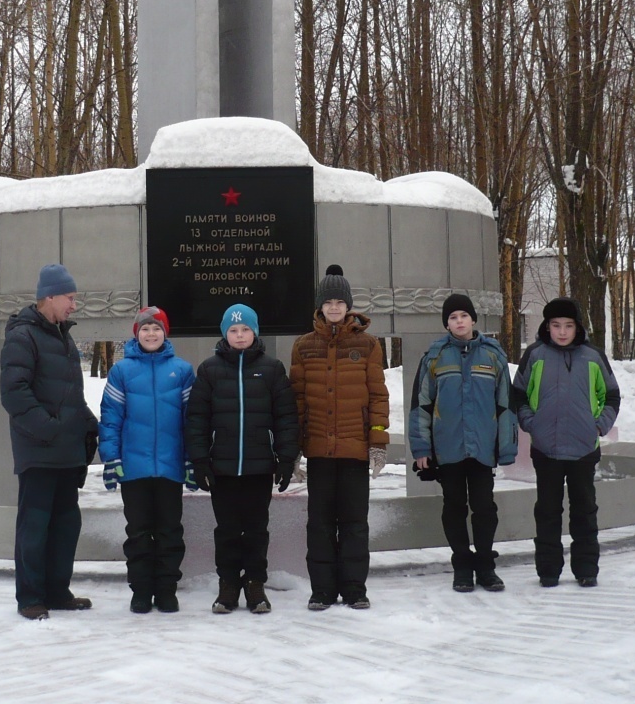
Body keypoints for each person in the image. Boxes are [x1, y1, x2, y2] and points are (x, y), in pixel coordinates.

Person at [0, 263, 100, 620]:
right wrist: (51, 428)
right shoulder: (23, 336)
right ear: (50, 296)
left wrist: (89, 424)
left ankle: (57, 592)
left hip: (66, 454)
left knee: (64, 527)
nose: (74, 305)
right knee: (35, 529)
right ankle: (30, 597)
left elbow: (70, 394)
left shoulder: (63, 336)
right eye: (70, 298)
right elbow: (14, 394)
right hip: (40, 454)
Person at [186, 302, 299, 615]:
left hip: (259, 466)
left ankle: (255, 584)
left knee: (256, 529)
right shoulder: (209, 369)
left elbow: (286, 417)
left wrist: (287, 459)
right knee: (227, 530)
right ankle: (228, 585)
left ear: (254, 332)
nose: (239, 335)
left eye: (245, 329)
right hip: (221, 467)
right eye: (233, 330)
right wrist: (199, 461)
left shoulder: (272, 369)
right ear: (225, 333)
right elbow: (197, 418)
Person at [289, 264, 389, 610]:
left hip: (354, 451)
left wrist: (378, 443)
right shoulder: (304, 347)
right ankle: (322, 589)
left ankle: (354, 588)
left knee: (354, 524)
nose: (334, 307)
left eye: (339, 301)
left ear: (348, 306)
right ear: (320, 306)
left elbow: (378, 396)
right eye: (328, 301)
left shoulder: (368, 344)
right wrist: (293, 453)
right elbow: (297, 402)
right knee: (319, 525)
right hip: (318, 451)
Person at [408, 292, 518, 593]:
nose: (459, 322)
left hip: (482, 448)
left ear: (473, 320)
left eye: (463, 316)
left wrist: (506, 447)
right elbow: (421, 405)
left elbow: (506, 405)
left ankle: (485, 566)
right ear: (447, 324)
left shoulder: (493, 355)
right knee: (454, 506)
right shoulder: (435, 356)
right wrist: (421, 449)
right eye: (453, 317)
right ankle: (462, 566)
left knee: (485, 508)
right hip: (449, 448)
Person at [511, 296, 621, 588]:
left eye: (568, 325)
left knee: (584, 510)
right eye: (556, 325)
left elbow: (610, 395)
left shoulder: (593, 356)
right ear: (547, 326)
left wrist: (598, 426)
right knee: (547, 511)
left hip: (584, 448)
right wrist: (531, 423)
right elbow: (518, 394)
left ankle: (586, 569)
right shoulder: (535, 355)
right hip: (546, 449)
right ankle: (548, 570)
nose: (562, 331)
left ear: (577, 327)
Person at [98, 306, 197, 614]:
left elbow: (190, 421)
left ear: (165, 333)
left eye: (157, 328)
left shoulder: (181, 371)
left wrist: (191, 460)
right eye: (145, 329)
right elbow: (111, 419)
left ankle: (167, 589)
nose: (151, 333)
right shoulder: (122, 371)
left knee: (169, 530)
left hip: (170, 468)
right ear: (136, 333)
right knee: (139, 532)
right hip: (134, 468)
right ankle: (141, 590)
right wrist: (111, 458)